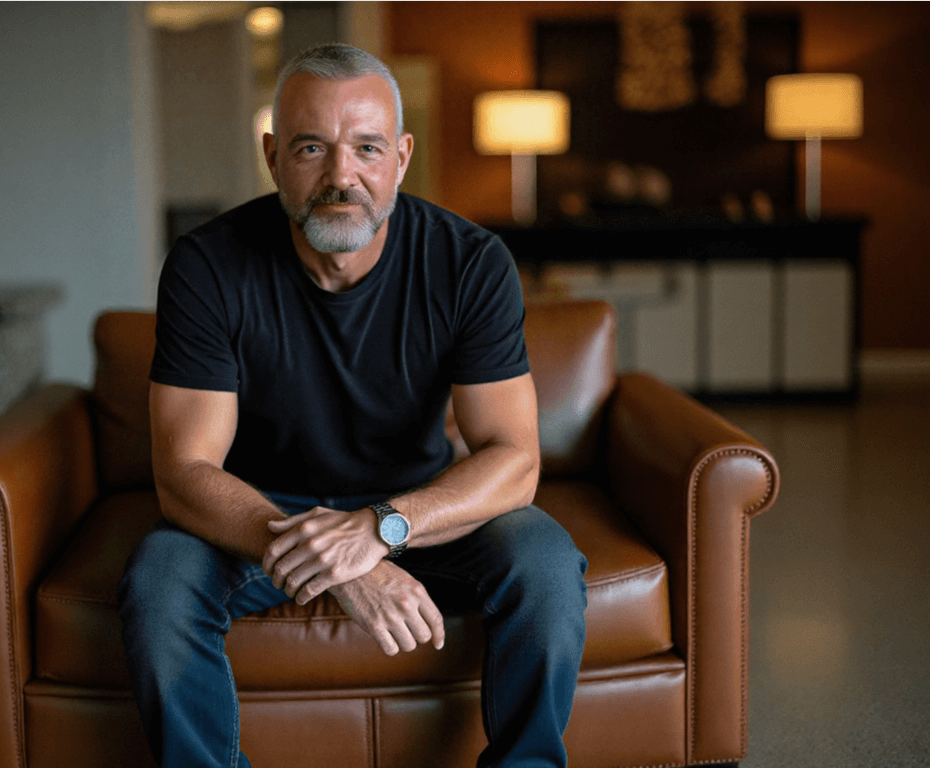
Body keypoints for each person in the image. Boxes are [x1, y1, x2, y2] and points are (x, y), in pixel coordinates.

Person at [117, 43, 587, 768]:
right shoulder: (208, 266)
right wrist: (341, 559)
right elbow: (184, 471)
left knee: (546, 560)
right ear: (273, 157)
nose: (342, 176)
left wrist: (381, 527)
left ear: (401, 156)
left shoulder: (469, 262)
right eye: (312, 147)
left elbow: (515, 462)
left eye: (366, 148)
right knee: (160, 579)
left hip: (417, 503)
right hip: (258, 508)